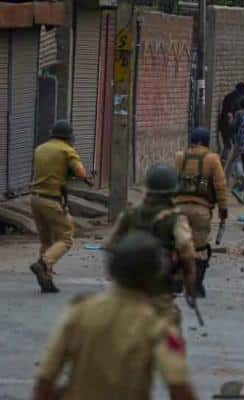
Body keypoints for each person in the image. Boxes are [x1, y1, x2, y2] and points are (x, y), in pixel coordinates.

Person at [32, 232, 197, 400]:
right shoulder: (158, 323)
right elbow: (179, 387)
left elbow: (45, 379)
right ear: (155, 274)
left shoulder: (80, 311)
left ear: (112, 270)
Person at [108, 165, 196, 328]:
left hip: (127, 291)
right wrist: (190, 287)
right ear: (173, 192)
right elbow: (187, 252)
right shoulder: (176, 219)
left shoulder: (130, 214)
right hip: (160, 290)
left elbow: (111, 245)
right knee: (170, 332)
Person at [29, 120, 88, 293]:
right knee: (65, 238)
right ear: (69, 137)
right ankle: (43, 263)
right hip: (52, 200)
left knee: (46, 240)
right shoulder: (67, 150)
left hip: (35, 199)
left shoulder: (40, 148)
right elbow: (81, 173)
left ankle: (46, 280)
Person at [175, 127, 228, 298]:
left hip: (179, 210)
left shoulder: (179, 157)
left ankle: (176, 283)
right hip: (201, 210)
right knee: (200, 248)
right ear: (205, 142)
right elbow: (220, 186)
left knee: (179, 245)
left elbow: (172, 181)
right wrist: (223, 209)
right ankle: (196, 286)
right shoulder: (212, 159)